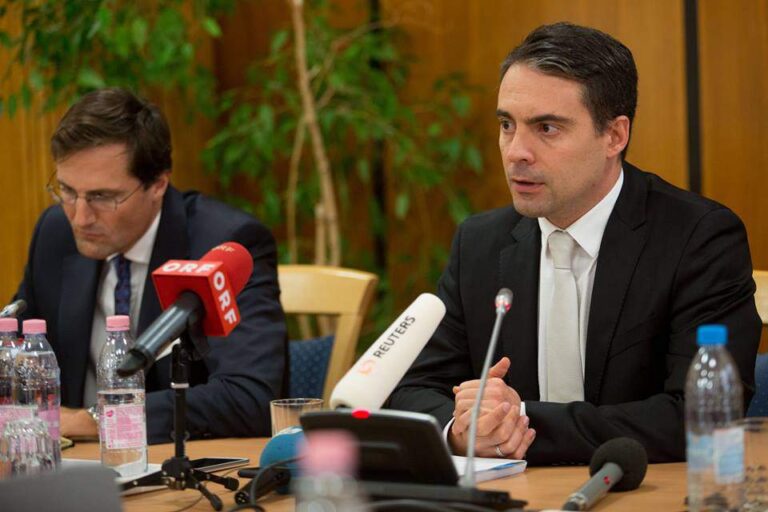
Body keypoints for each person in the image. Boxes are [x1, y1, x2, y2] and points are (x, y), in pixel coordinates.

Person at [388, 22, 761, 465]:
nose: (515, 151)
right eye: (507, 125)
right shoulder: (480, 243)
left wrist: (520, 421)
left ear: (614, 136)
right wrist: (460, 430)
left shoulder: (698, 238)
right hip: (511, 492)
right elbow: (411, 389)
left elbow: (701, 414)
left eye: (546, 128)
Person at [13, 88, 288, 443]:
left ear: (158, 184)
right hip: (69, 463)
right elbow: (17, 348)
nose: (80, 218)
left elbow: (249, 397)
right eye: (67, 191)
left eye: (102, 197)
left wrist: (95, 421)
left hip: (175, 463)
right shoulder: (55, 234)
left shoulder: (224, 245)